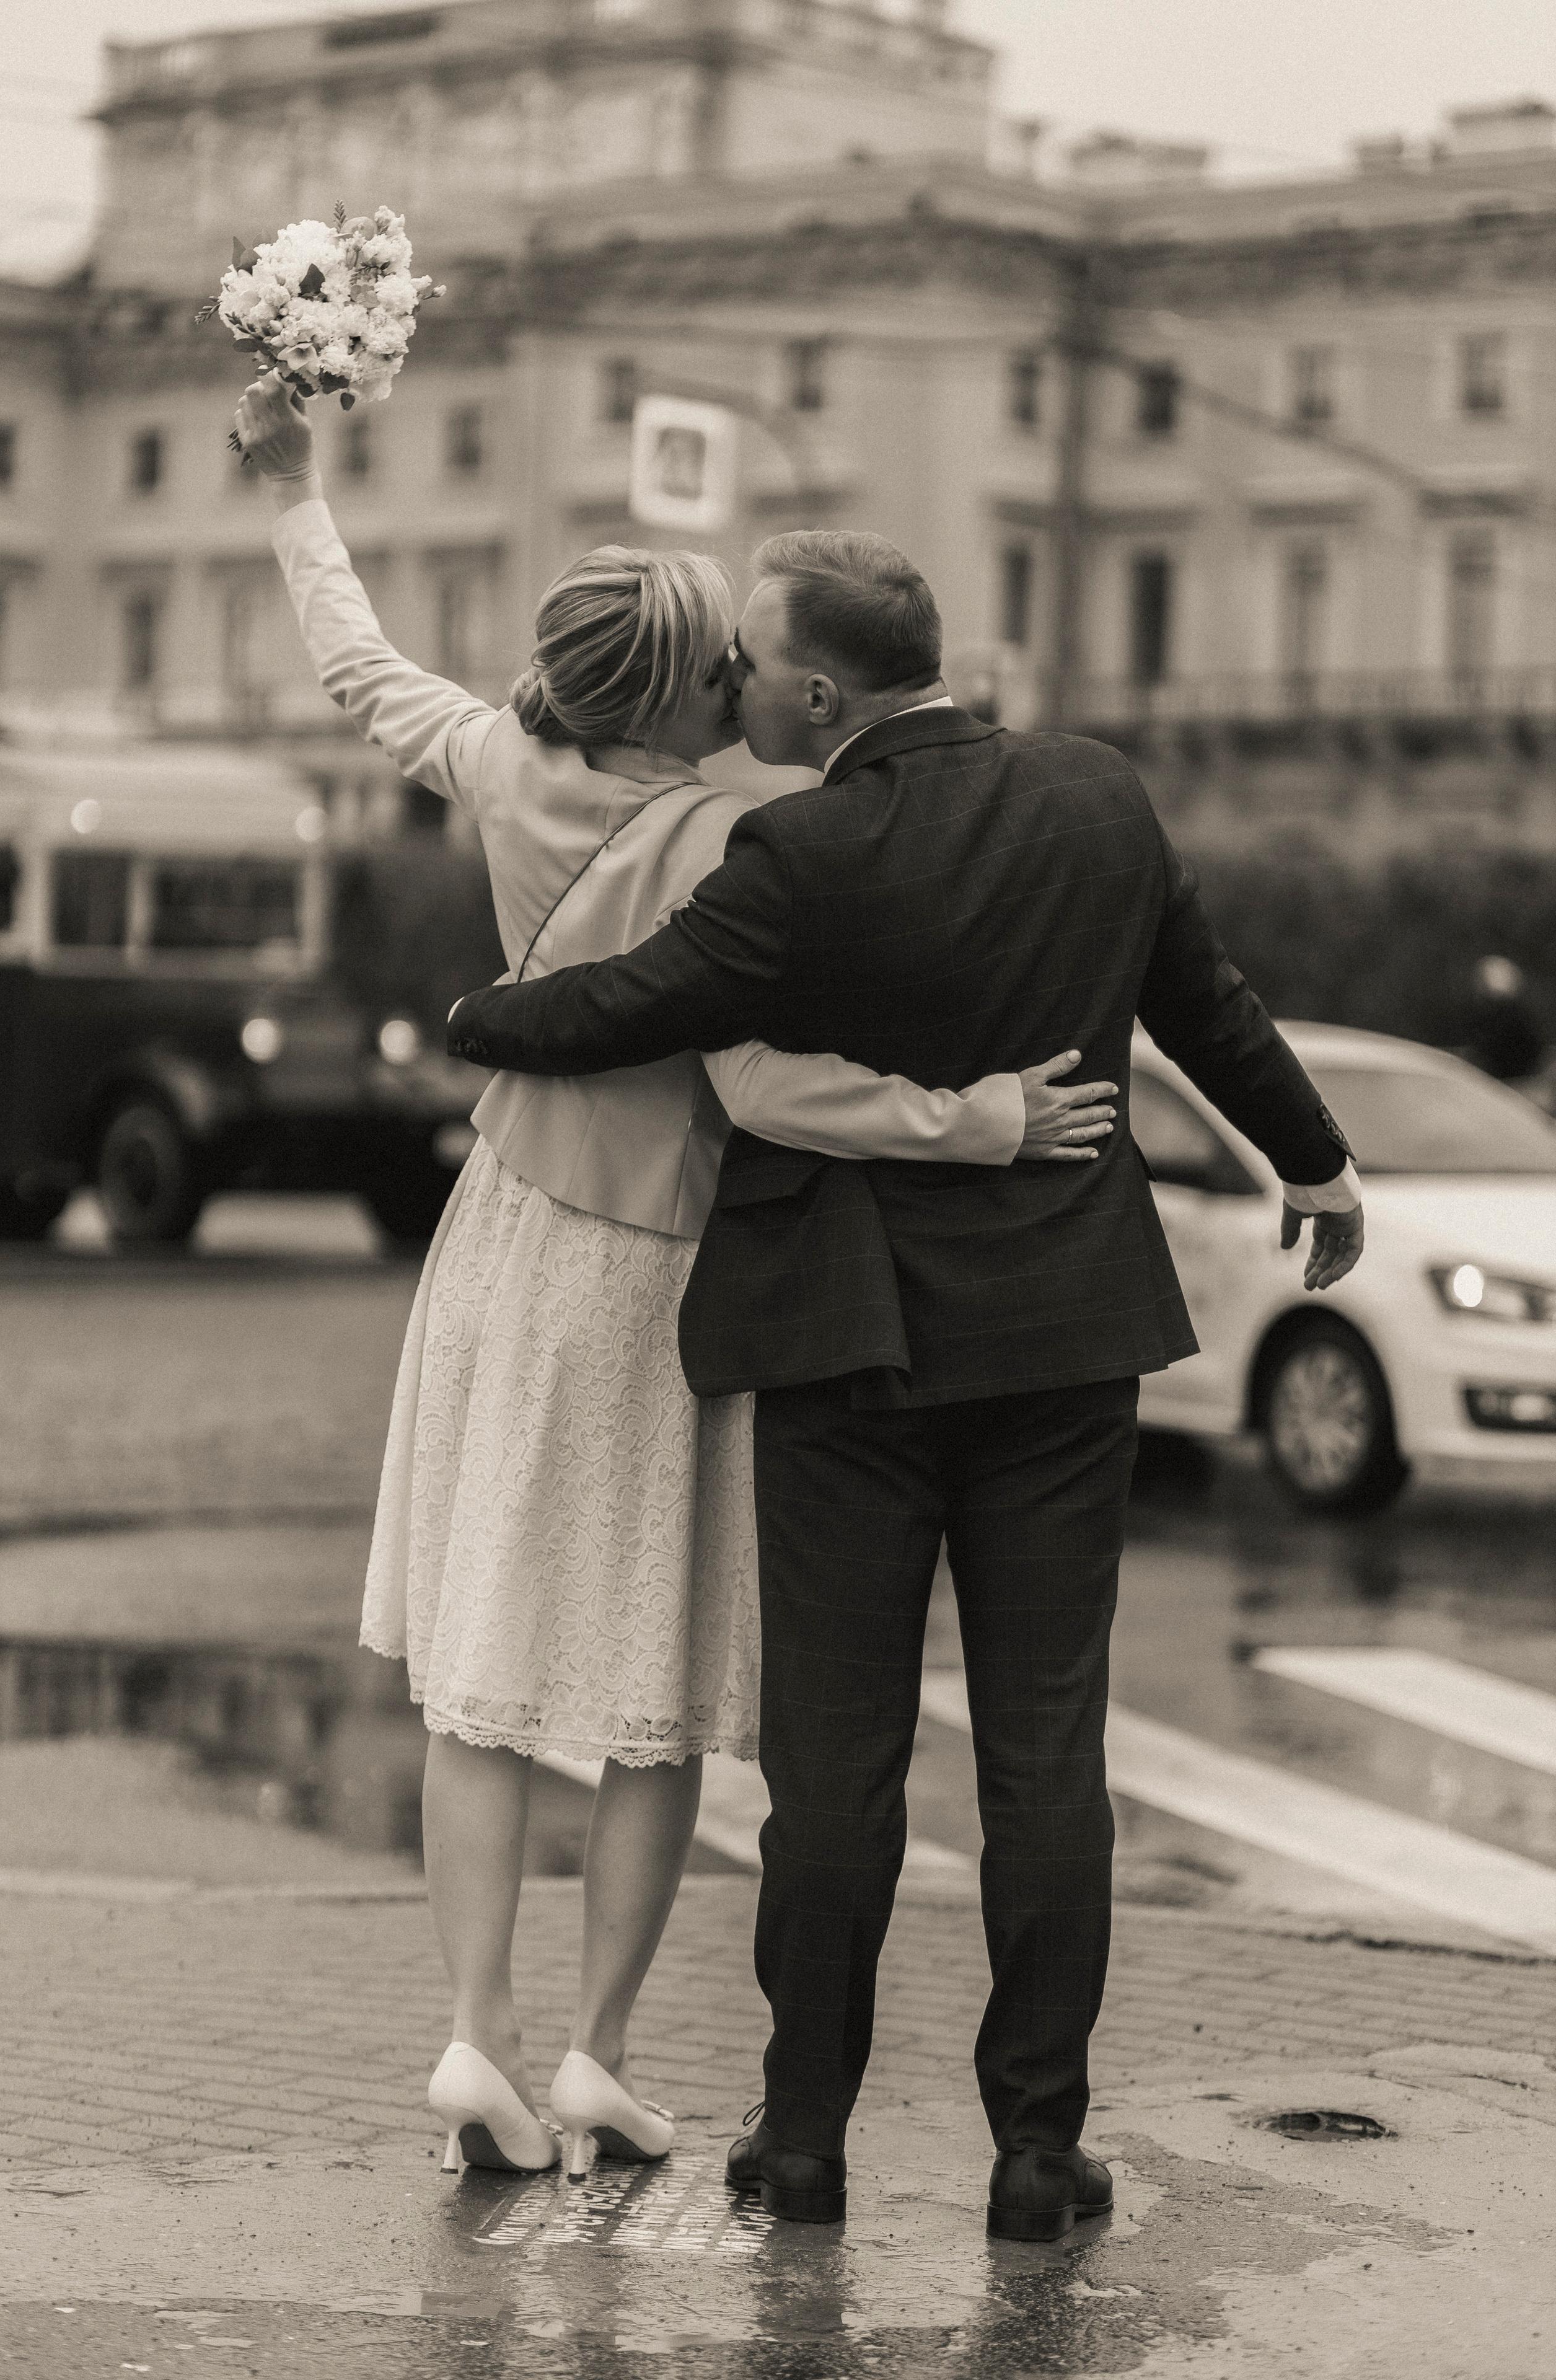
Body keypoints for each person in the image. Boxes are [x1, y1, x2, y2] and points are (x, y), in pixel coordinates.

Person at [231, 379, 1119, 2187]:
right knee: (657, 1688)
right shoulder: (739, 833)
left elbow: (357, 664)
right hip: (659, 1280)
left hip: (502, 1246)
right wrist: (977, 1120)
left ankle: (471, 2037)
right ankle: (597, 2059)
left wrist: (294, 489)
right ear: (700, 693)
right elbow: (760, 1081)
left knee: (480, 1671)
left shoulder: (501, 767)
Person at [442, 528, 1367, 2236]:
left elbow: (630, 1010)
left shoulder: (802, 851)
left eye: (749, 669)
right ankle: (1035, 2150)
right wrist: (1316, 1162)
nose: (728, 689)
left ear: (817, 689)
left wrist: (477, 1020)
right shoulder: (1101, 800)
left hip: (849, 1355)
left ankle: (804, 2143)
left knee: (836, 1769)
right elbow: (1208, 1006)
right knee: (1045, 1756)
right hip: (1067, 1342)